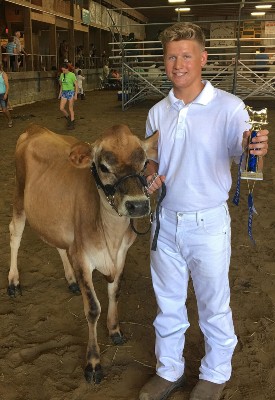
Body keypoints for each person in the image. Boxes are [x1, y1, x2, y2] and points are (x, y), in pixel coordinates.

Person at [139, 22, 269, 400]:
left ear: (203, 59)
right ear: (164, 61)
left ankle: (214, 373)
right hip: (166, 221)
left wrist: (255, 149)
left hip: (208, 223)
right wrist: (150, 176)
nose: (178, 64)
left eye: (186, 56)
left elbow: (251, 163)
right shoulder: (157, 112)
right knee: (167, 303)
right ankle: (169, 370)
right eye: (171, 57)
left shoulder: (230, 108)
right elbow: (151, 162)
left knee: (214, 302)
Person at [58, 63, 78, 130]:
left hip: (70, 92)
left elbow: (76, 85)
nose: (63, 72)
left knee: (70, 108)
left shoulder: (72, 75)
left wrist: (75, 94)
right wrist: (60, 93)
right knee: (61, 108)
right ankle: (68, 117)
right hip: (64, 92)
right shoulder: (62, 75)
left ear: (67, 69)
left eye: (64, 70)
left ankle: (72, 123)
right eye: (62, 70)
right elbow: (61, 84)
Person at [0, 63, 13, 128]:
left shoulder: (3, 74)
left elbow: (7, 85)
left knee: (4, 110)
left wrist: (6, 94)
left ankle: (10, 120)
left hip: (2, 94)